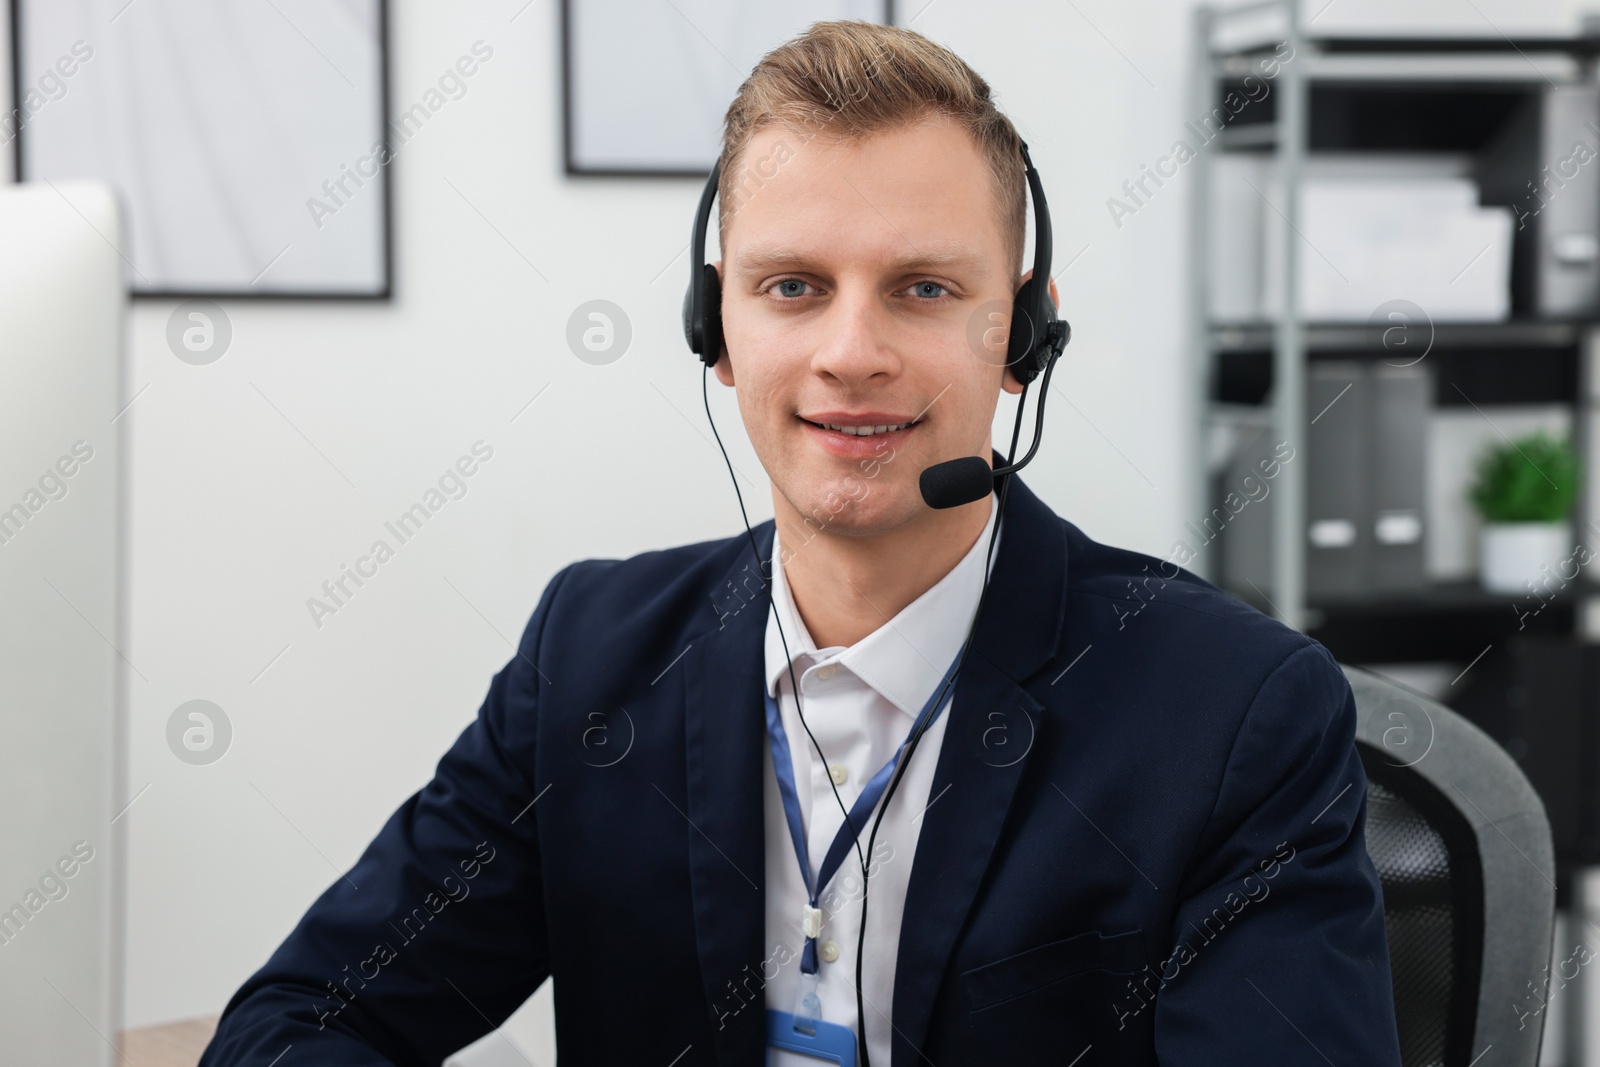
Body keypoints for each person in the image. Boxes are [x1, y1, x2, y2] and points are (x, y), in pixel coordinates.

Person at [200, 20, 1401, 1067]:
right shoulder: (593, 660)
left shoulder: (1229, 710)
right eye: (791, 287)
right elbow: (302, 1018)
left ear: (1020, 332)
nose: (851, 351)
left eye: (923, 288)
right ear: (711, 327)